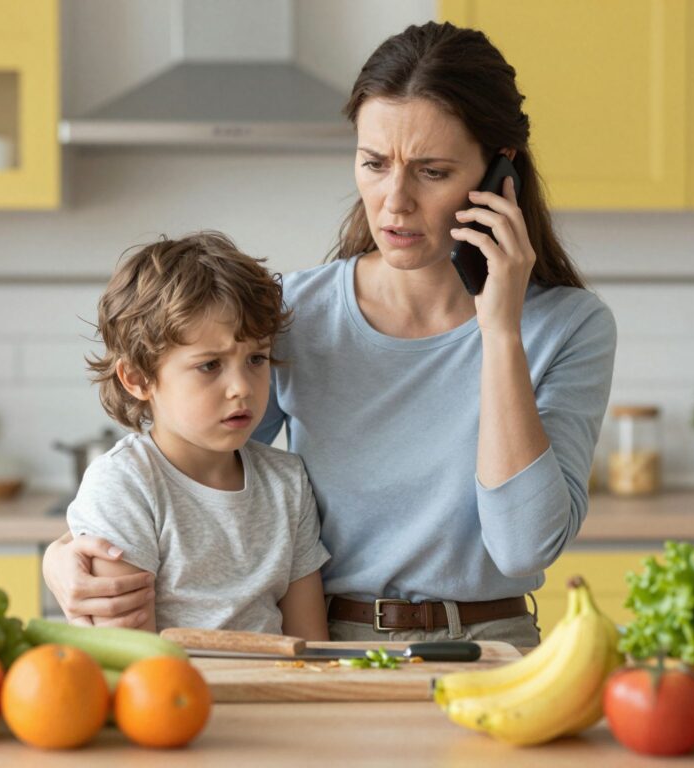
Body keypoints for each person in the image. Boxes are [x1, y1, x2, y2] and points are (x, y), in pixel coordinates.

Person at [43, 21, 616, 647]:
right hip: (328, 647)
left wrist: (500, 330)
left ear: (499, 171)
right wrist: (62, 555)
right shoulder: (297, 311)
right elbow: (200, 475)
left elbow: (522, 545)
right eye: (374, 163)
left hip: (492, 648)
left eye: (432, 171)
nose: (393, 202)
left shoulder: (568, 328)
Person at [63, 231, 330, 638]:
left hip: (280, 697)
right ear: (138, 379)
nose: (242, 387)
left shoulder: (287, 481)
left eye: (256, 358)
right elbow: (133, 661)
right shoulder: (125, 485)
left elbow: (310, 649)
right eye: (210, 365)